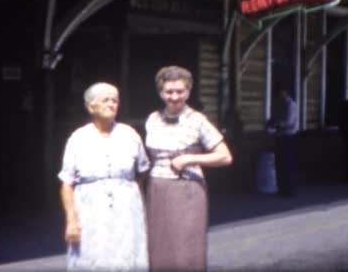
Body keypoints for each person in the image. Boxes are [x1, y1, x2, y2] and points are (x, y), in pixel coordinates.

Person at [144, 65, 233, 270]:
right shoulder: (152, 119)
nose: (174, 97)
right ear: (160, 92)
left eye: (180, 91)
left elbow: (225, 156)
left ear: (188, 91)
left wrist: (190, 159)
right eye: (169, 92)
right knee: (159, 246)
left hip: (187, 189)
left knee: (186, 248)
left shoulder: (198, 120)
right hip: (157, 188)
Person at [58, 82, 150, 271]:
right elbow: (67, 184)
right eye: (105, 100)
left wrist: (132, 198)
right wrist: (71, 221)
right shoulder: (78, 139)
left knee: (127, 258)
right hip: (90, 212)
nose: (111, 104)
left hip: (126, 213)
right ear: (91, 107)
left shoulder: (130, 134)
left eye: (115, 100)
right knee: (91, 258)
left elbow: (142, 172)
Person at [267, 88, 299, 197]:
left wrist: (277, 124)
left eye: (282, 93)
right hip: (280, 136)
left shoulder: (291, 105)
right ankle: (281, 188)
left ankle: (289, 189)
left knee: (288, 163)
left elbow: (289, 122)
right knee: (279, 163)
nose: (280, 96)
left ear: (286, 92)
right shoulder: (279, 105)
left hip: (289, 136)